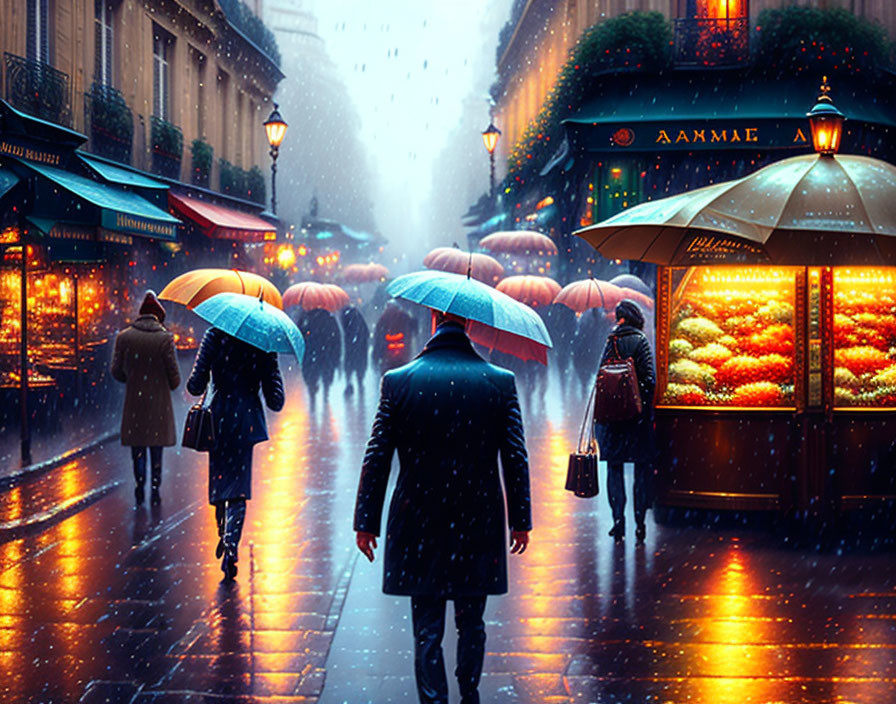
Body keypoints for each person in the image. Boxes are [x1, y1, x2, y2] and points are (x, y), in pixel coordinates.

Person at [354, 310, 532, 704]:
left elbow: (377, 455)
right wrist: (520, 521)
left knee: (427, 626)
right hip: (478, 518)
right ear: (469, 324)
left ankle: (433, 700)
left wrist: (366, 521)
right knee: (472, 621)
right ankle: (469, 693)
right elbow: (515, 456)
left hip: (419, 519)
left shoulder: (399, 381)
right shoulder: (499, 382)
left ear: (434, 318)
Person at [187, 326, 284, 580]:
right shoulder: (262, 339)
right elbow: (276, 400)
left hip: (217, 419)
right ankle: (231, 543)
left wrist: (209, 373)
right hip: (246, 420)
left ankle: (223, 531)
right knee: (239, 487)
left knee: (220, 481)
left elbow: (195, 385)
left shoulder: (213, 335)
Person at [110, 291, 180, 506]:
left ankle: (139, 485)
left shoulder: (124, 337)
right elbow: (174, 378)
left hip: (135, 403)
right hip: (158, 404)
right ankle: (155, 487)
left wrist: (132, 379)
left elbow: (116, 371)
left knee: (138, 448)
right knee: (156, 448)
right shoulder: (165, 339)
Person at [595, 299, 656, 545]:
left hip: (612, 419)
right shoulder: (641, 341)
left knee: (615, 468)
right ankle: (639, 523)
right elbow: (649, 379)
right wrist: (638, 403)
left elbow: (601, 376)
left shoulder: (611, 342)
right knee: (640, 469)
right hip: (636, 420)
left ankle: (617, 522)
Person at [297, 308, 342, 404]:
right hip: (325, 353)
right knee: (325, 375)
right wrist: (336, 355)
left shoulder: (307, 317)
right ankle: (324, 394)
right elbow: (336, 338)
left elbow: (299, 334)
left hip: (313, 353)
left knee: (312, 376)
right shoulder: (329, 318)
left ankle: (314, 394)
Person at [372, 300, 418, 374]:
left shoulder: (383, 319)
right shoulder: (405, 316)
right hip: (404, 356)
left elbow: (378, 339)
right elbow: (414, 329)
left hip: (387, 358)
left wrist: (375, 358)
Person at [340, 305, 370, 392]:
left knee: (349, 366)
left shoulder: (347, 318)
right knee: (359, 366)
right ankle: (359, 382)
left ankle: (349, 383)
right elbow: (366, 333)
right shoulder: (358, 318)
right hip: (359, 348)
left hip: (351, 348)